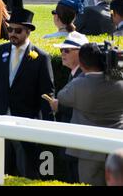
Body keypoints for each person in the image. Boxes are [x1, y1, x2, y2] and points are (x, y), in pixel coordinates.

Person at [0, 8, 55, 179]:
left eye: (18, 31)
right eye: (10, 29)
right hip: (0, 122)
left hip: (26, 124)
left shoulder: (41, 57)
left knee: (28, 173)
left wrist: (49, 126)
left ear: (28, 31)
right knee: (0, 172)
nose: (12, 34)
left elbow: (47, 93)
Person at [50, 43, 123, 186]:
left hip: (89, 152)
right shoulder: (119, 81)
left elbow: (61, 96)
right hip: (117, 146)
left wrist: (84, 72)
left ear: (82, 63)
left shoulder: (78, 85)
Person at [52, 32, 89, 183]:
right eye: (61, 50)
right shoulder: (74, 74)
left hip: (78, 144)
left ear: (80, 53)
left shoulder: (83, 76)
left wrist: (58, 106)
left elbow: (81, 106)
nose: (62, 54)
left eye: (66, 50)